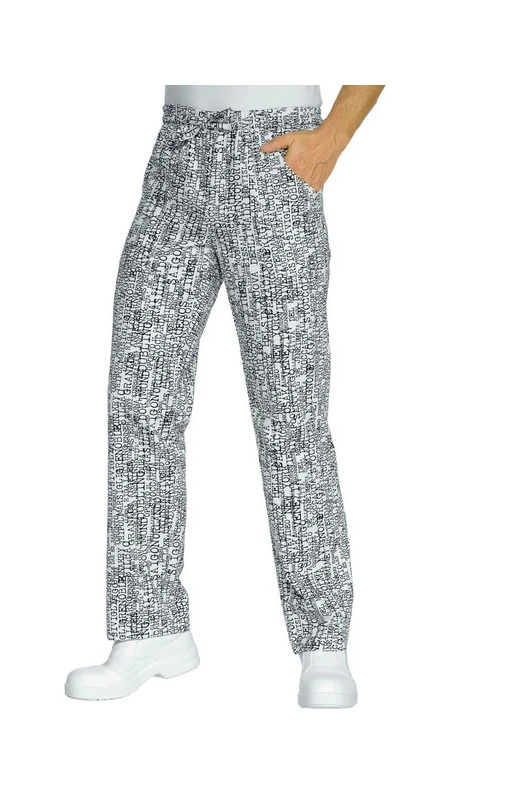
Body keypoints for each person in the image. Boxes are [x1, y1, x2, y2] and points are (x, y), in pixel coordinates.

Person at [65, 84, 384, 707]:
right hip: (176, 154)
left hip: (277, 152)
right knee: (140, 400)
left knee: (290, 411)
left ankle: (324, 642)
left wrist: (334, 135)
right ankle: (150, 626)